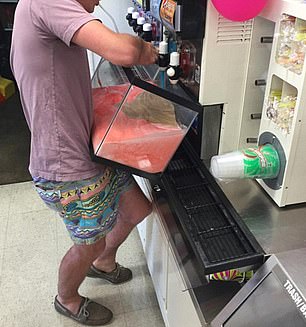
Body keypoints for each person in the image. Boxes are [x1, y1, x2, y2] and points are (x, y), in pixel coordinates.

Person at [10, 0, 158, 325]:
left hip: (89, 145)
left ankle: (103, 263)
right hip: (67, 165)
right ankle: (67, 299)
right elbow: (123, 51)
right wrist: (150, 49)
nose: (99, 3)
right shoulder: (46, 1)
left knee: (137, 209)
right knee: (89, 242)